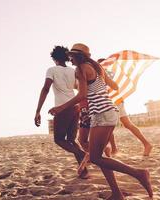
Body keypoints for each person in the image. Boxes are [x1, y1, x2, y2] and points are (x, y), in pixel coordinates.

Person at [49, 43, 153, 199]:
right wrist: (97, 91)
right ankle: (116, 193)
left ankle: (139, 173)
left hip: (102, 114)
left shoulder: (81, 69)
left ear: (78, 56)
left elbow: (82, 95)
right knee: (102, 157)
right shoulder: (98, 68)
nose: (69, 59)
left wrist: (61, 108)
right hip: (109, 112)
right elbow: (115, 86)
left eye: (71, 56)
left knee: (96, 158)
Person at [34, 45, 89, 179]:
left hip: (63, 107)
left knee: (59, 139)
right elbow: (77, 87)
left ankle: (83, 155)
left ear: (54, 58)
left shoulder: (52, 70)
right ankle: (84, 171)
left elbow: (46, 89)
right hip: (75, 106)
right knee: (71, 139)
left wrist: (38, 111)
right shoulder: (72, 70)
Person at [97, 58, 153, 156]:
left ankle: (145, 144)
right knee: (122, 124)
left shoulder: (106, 74)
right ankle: (116, 149)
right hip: (113, 101)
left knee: (113, 125)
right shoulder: (108, 73)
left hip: (114, 101)